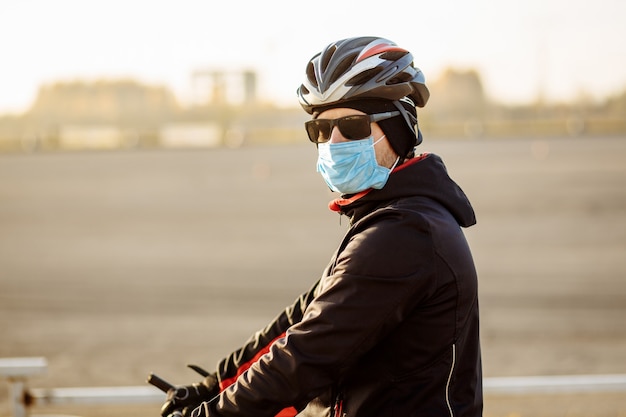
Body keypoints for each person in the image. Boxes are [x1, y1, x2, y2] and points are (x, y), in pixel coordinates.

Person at [159, 36, 482, 417]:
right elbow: (303, 315)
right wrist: (215, 384)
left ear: (399, 128)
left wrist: (208, 413)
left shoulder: (404, 234)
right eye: (321, 130)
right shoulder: (393, 217)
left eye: (352, 126)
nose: (334, 142)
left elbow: (306, 355)